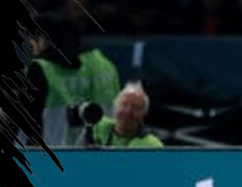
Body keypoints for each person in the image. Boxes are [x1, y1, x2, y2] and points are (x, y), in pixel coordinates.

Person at [21, 14, 120, 147]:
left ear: (43, 40)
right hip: (102, 146)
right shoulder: (103, 65)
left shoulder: (41, 68)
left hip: (50, 150)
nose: (31, 48)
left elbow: (28, 120)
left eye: (32, 41)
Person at [91, 82, 163, 148]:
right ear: (115, 106)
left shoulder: (152, 146)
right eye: (124, 104)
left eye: (136, 107)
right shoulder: (97, 125)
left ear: (144, 114)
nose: (128, 111)